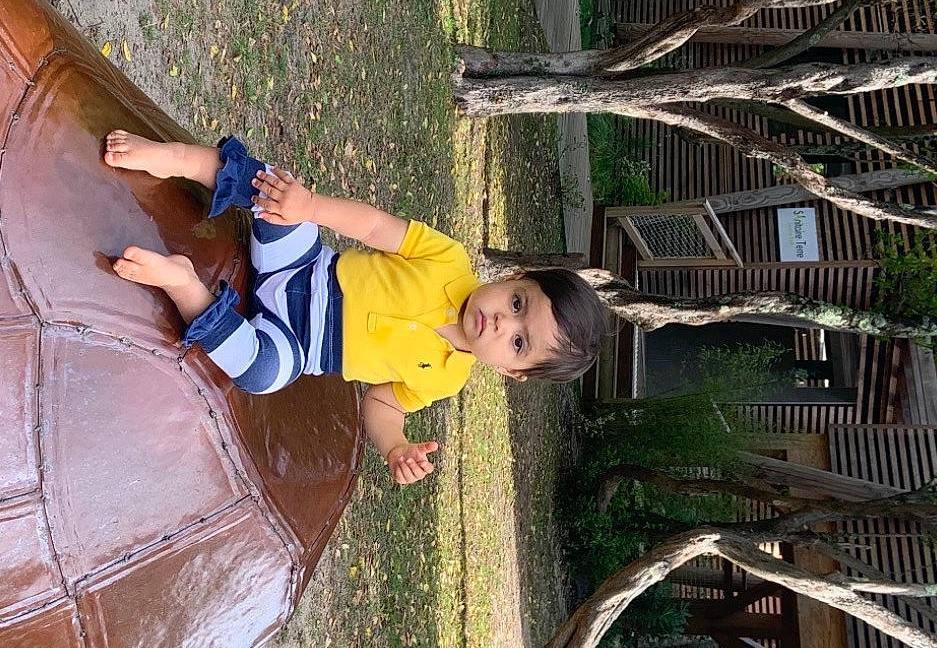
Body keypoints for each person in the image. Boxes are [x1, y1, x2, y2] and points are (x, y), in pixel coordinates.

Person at [102, 131, 606, 485]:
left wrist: (395, 446)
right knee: (276, 190)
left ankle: (184, 285)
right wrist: (310, 208)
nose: (501, 322)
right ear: (514, 277)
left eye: (518, 342)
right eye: (518, 303)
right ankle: (177, 159)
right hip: (303, 267)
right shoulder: (448, 259)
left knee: (261, 373)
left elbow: (381, 404)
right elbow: (372, 228)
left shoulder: (444, 379)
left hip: (298, 342)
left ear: (512, 372)